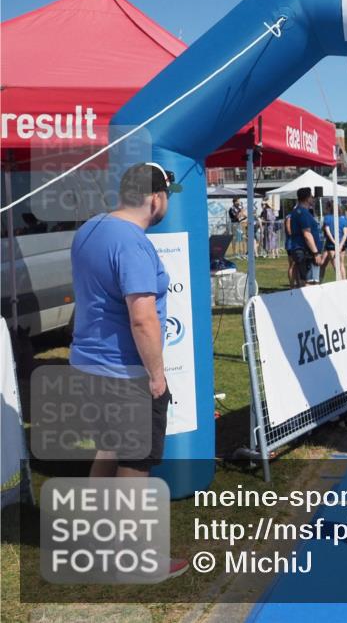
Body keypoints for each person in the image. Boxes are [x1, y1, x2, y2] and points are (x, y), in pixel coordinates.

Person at [69, 162, 189, 580]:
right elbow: (143, 318)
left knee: (107, 450)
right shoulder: (133, 244)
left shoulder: (89, 229)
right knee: (135, 463)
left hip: (87, 363)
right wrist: (157, 376)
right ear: (156, 199)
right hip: (124, 371)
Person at [287, 187, 323, 287]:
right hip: (307, 252)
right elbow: (307, 234)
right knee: (311, 282)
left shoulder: (297, 212)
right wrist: (315, 253)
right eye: (311, 196)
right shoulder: (303, 213)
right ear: (307, 198)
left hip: (302, 250)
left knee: (304, 280)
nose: (313, 198)